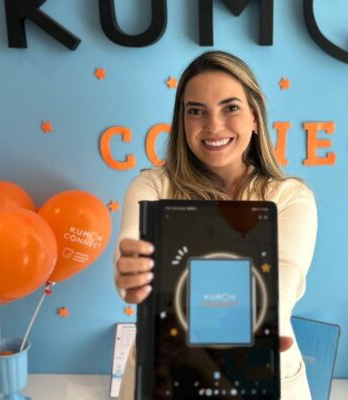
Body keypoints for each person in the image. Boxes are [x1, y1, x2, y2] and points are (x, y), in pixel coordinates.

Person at [114, 50, 317, 399]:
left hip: (260, 367)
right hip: (166, 373)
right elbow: (130, 248)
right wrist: (129, 274)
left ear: (255, 117)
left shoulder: (290, 197)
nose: (213, 125)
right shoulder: (151, 188)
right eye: (196, 111)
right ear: (182, 121)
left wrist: (263, 316)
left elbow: (285, 278)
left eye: (230, 107)